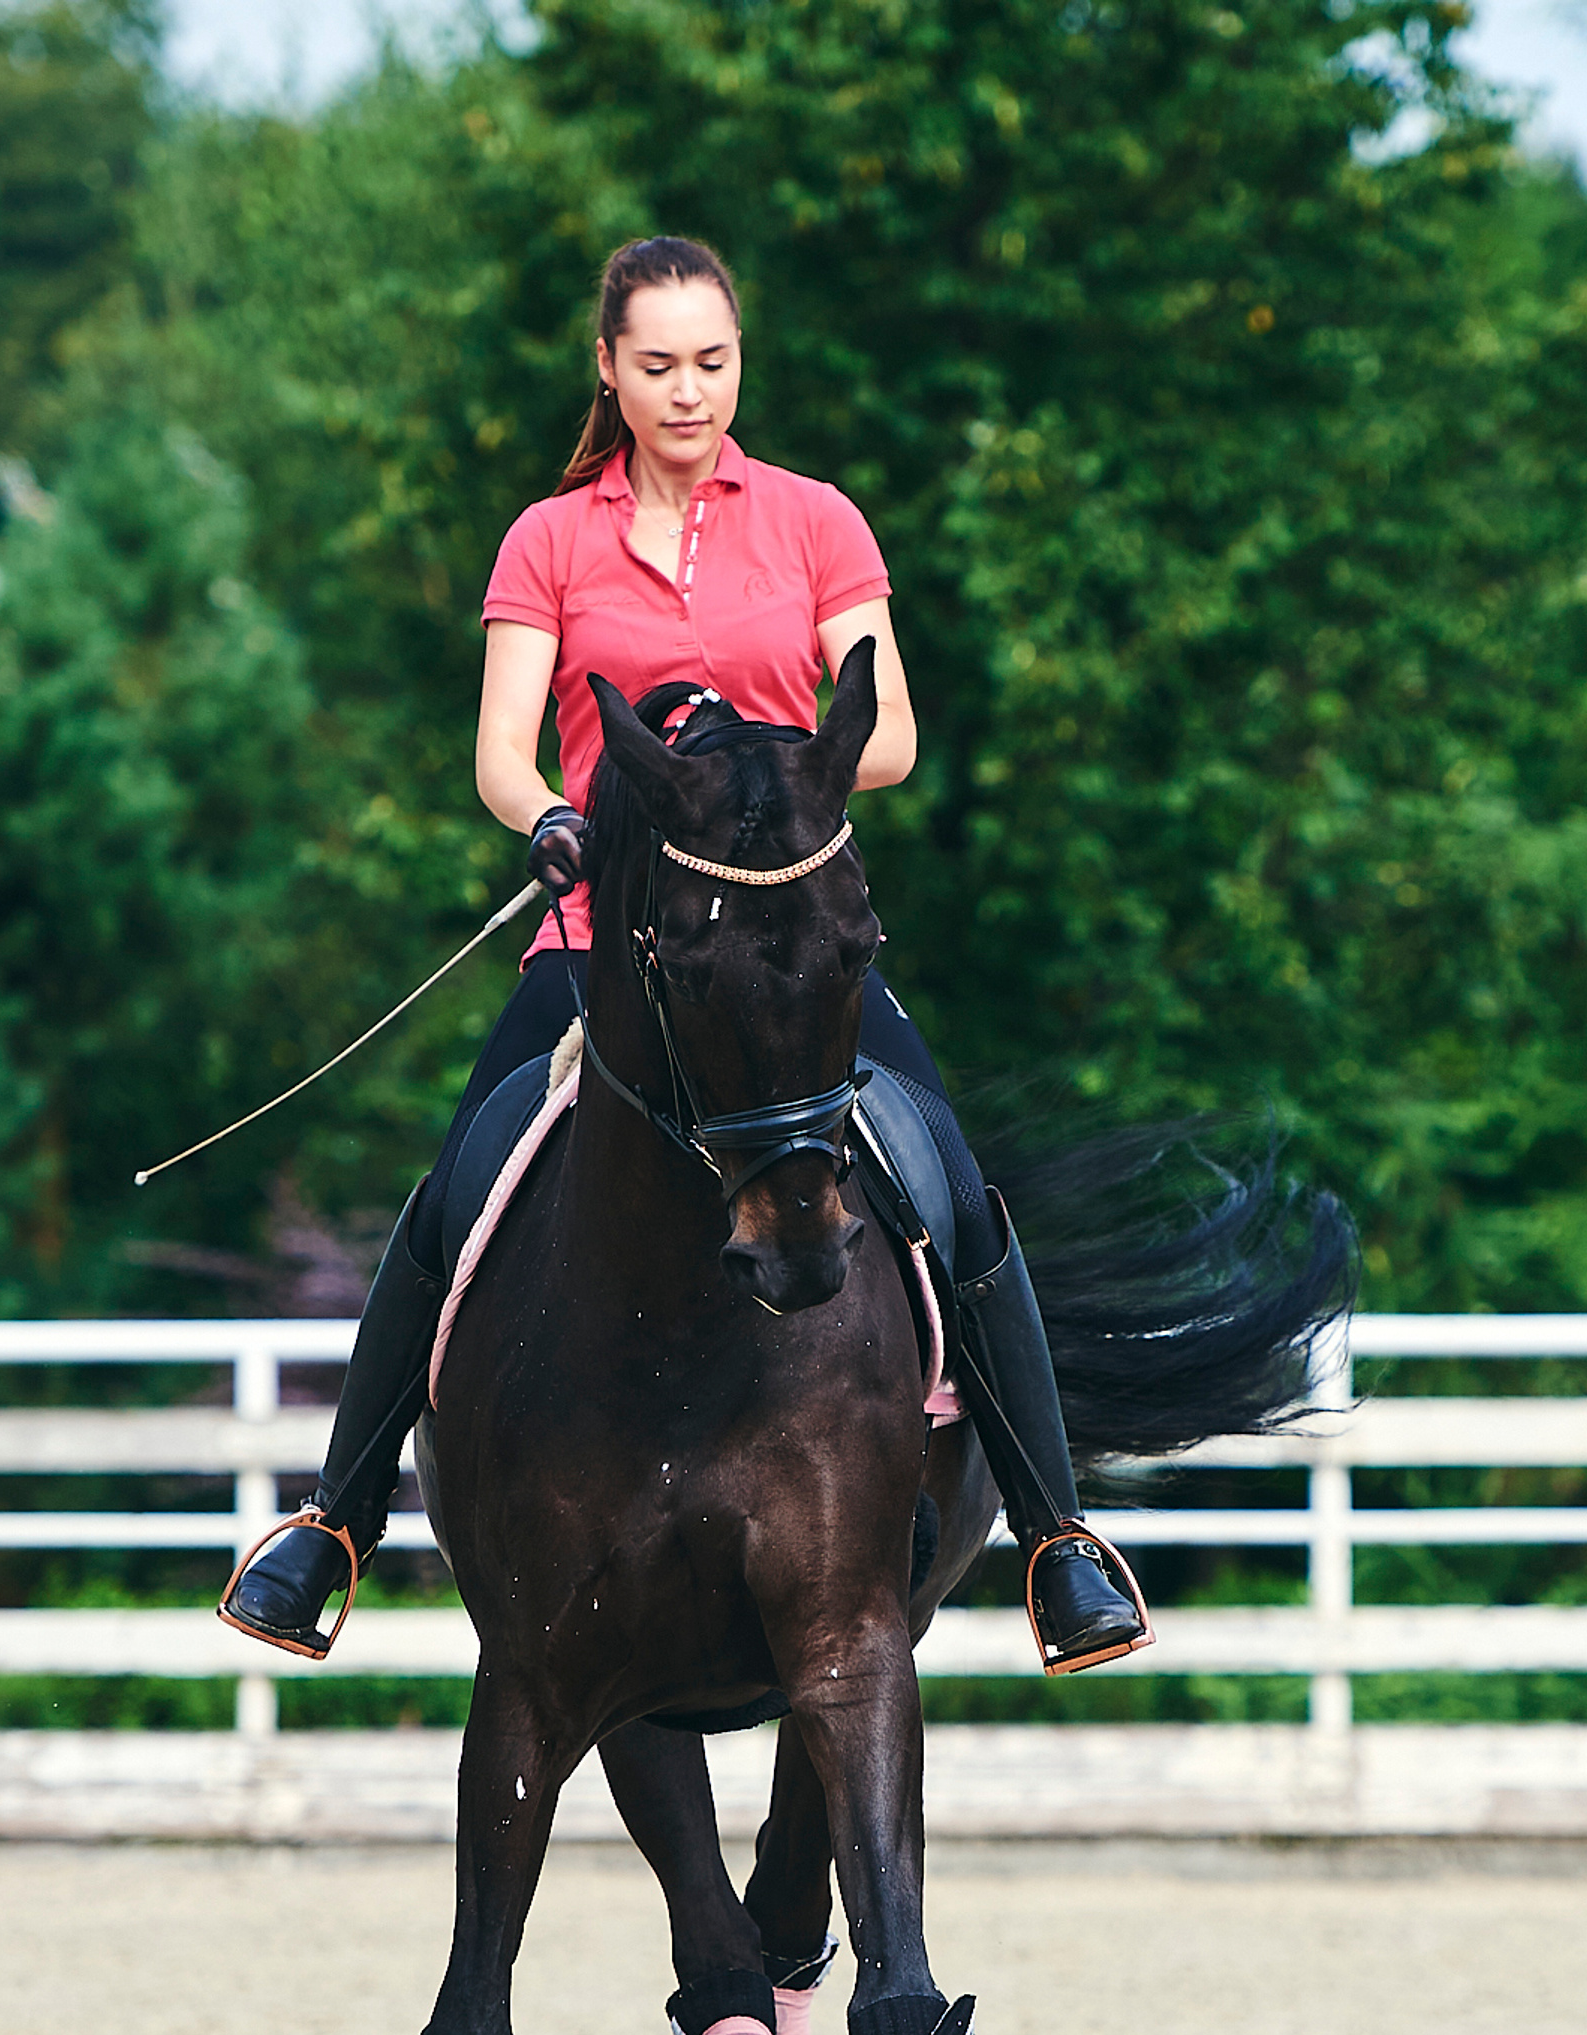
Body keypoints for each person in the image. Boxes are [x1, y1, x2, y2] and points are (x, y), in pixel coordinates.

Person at [220, 235, 1147, 1673]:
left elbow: (887, 731)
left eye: (711, 362)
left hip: (783, 940)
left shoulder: (816, 523)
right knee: (454, 1192)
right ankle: (331, 1525)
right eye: (656, 364)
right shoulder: (551, 538)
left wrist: (781, 774)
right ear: (609, 367)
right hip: (605, 938)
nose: (687, 390)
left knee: (954, 1185)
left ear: (736, 363)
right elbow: (500, 753)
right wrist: (553, 823)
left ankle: (1057, 1538)